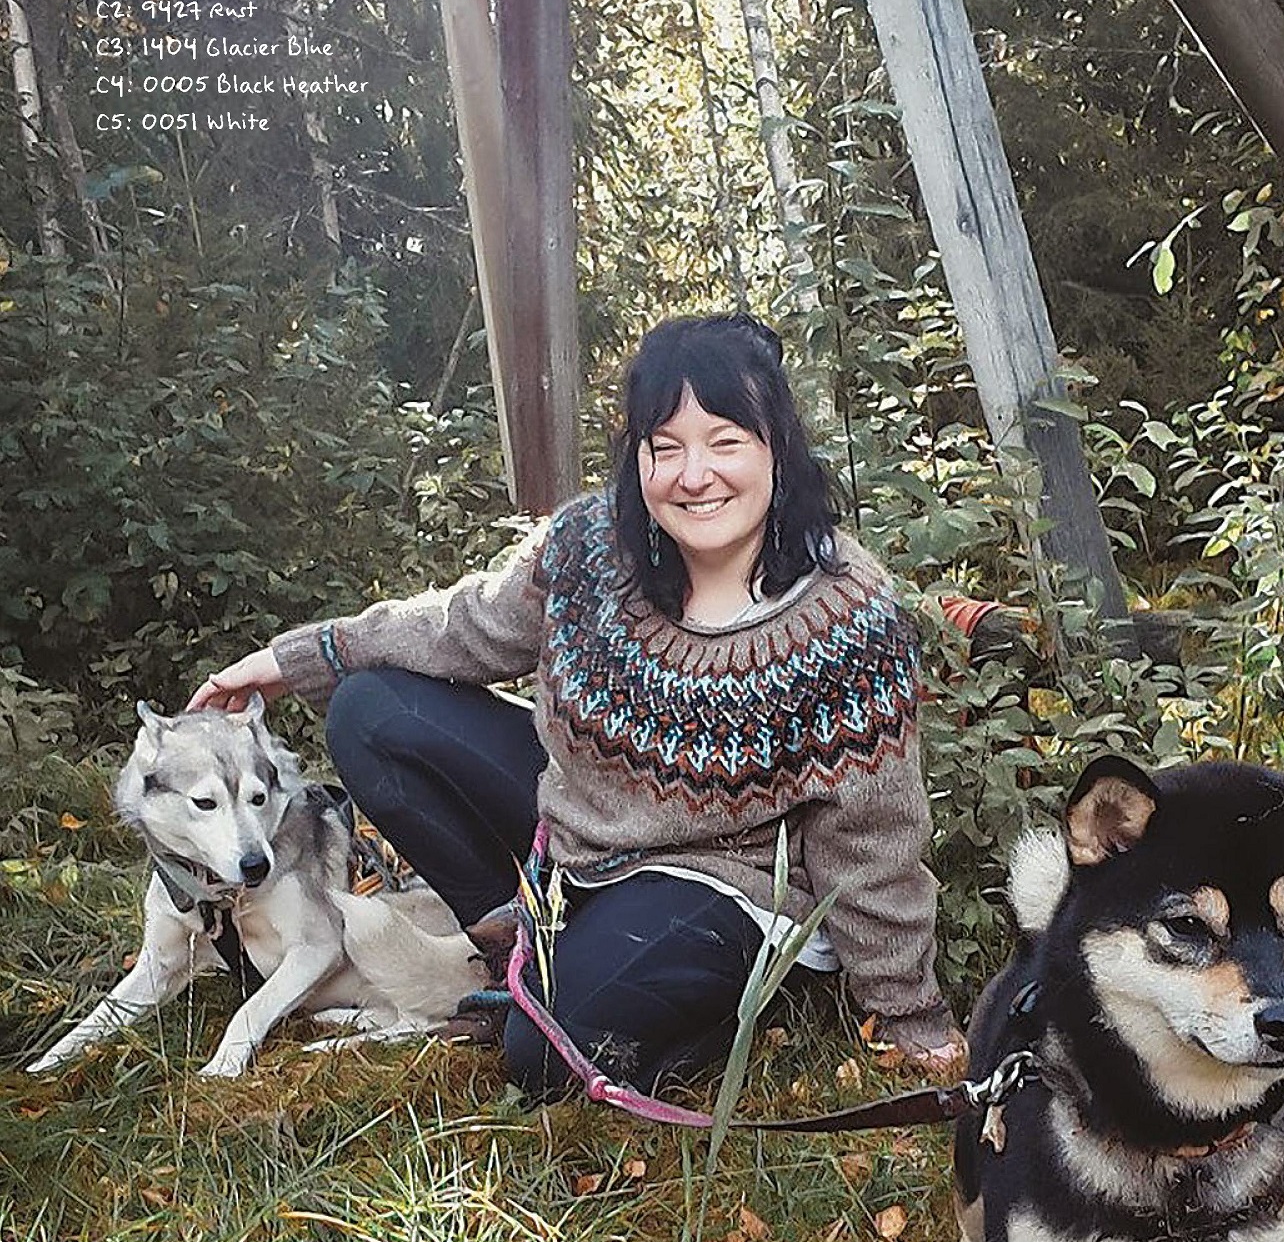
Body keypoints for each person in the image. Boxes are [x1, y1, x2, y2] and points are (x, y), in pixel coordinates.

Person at [189, 312, 963, 1097]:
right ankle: (516, 944)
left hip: (729, 883)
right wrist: (293, 659)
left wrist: (910, 1014)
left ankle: (715, 1005)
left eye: (726, 441)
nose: (695, 474)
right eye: (666, 446)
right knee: (369, 711)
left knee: (541, 1056)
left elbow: (873, 836)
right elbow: (463, 624)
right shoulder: (590, 546)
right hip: (579, 848)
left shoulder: (845, 615)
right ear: (638, 455)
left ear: (778, 449)